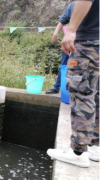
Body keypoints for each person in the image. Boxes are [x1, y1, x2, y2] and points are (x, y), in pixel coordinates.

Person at [47, 0, 99, 168]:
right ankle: (93, 146)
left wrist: (71, 30)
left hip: (87, 43)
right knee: (95, 94)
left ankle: (78, 152)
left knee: (82, 94)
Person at [46, 2, 74, 94]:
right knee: (64, 66)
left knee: (80, 67)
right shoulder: (72, 5)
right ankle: (57, 87)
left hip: (88, 44)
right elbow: (62, 20)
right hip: (70, 42)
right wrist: (55, 34)